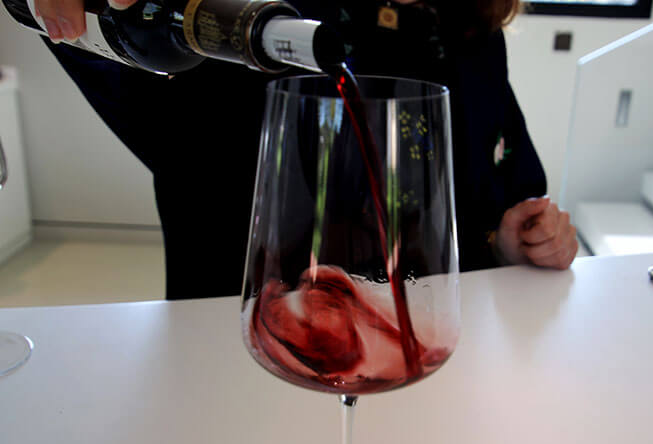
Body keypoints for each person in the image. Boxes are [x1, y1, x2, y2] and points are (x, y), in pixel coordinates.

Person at [34, 0, 578, 300]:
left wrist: (507, 240)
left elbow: (493, 195)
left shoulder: (471, 29)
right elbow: (171, 118)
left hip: (432, 341)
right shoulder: (268, 18)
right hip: (257, 348)